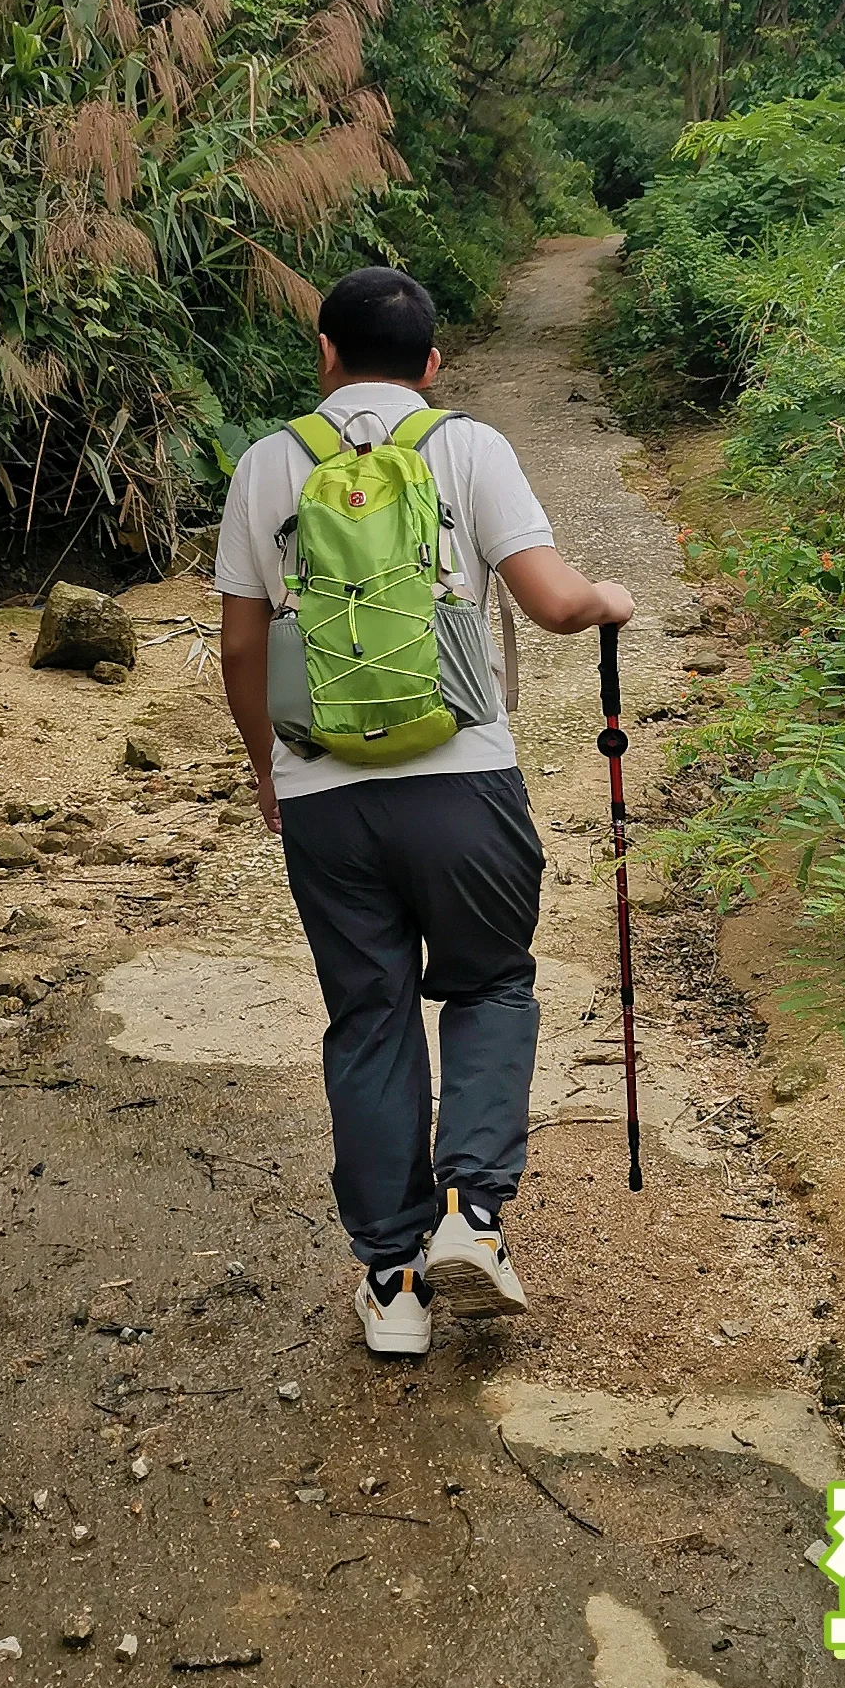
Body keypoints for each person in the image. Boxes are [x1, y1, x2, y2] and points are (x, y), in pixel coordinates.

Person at [216, 266, 634, 1356]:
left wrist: (270, 769)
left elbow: (241, 646)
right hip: (464, 781)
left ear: (325, 353)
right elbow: (550, 602)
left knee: (370, 1015)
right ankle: (473, 1218)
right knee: (490, 980)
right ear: (433, 365)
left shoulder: (266, 464)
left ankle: (392, 1280)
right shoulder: (469, 447)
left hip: (324, 796)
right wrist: (609, 600)